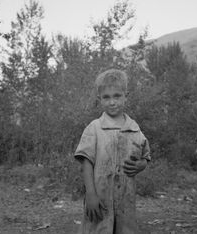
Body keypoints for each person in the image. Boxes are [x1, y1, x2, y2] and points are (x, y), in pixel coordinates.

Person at [74, 69, 151, 234]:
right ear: (99, 99)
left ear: (126, 96)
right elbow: (86, 163)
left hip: (125, 198)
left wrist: (141, 165)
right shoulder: (94, 128)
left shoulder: (134, 129)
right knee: (97, 228)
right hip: (100, 197)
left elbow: (145, 157)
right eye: (106, 97)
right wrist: (91, 194)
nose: (112, 102)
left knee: (125, 228)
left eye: (117, 96)